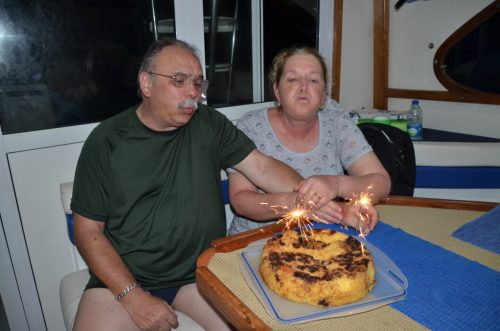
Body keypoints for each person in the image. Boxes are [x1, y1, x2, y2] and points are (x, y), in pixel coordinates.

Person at [70, 38, 326, 331]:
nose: (192, 93)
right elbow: (87, 230)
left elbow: (262, 167)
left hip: (200, 273)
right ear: (146, 84)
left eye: (197, 84)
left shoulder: (208, 123)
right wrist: (133, 296)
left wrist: (314, 198)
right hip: (124, 280)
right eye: (179, 81)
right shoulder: (106, 141)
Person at [228, 46, 391, 236]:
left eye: (313, 80)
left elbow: (381, 184)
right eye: (292, 79)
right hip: (257, 239)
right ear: (277, 92)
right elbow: (240, 200)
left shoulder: (337, 123)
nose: (303, 87)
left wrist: (336, 184)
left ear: (324, 96)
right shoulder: (251, 126)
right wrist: (296, 204)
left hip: (323, 237)